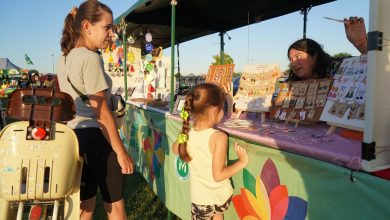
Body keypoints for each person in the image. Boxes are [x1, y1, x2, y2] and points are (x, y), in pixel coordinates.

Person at [57, 1, 134, 220]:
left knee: (85, 205)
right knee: (115, 207)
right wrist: (121, 152)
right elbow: (100, 113)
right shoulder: (90, 58)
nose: (111, 33)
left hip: (73, 137)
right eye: (107, 27)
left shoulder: (64, 57)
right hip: (97, 137)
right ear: (87, 26)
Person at [172, 83, 248, 220]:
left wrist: (228, 99)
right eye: (222, 108)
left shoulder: (188, 133)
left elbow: (174, 149)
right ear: (214, 111)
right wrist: (242, 162)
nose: (224, 112)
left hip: (200, 199)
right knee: (218, 214)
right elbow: (218, 176)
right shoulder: (219, 137)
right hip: (219, 196)